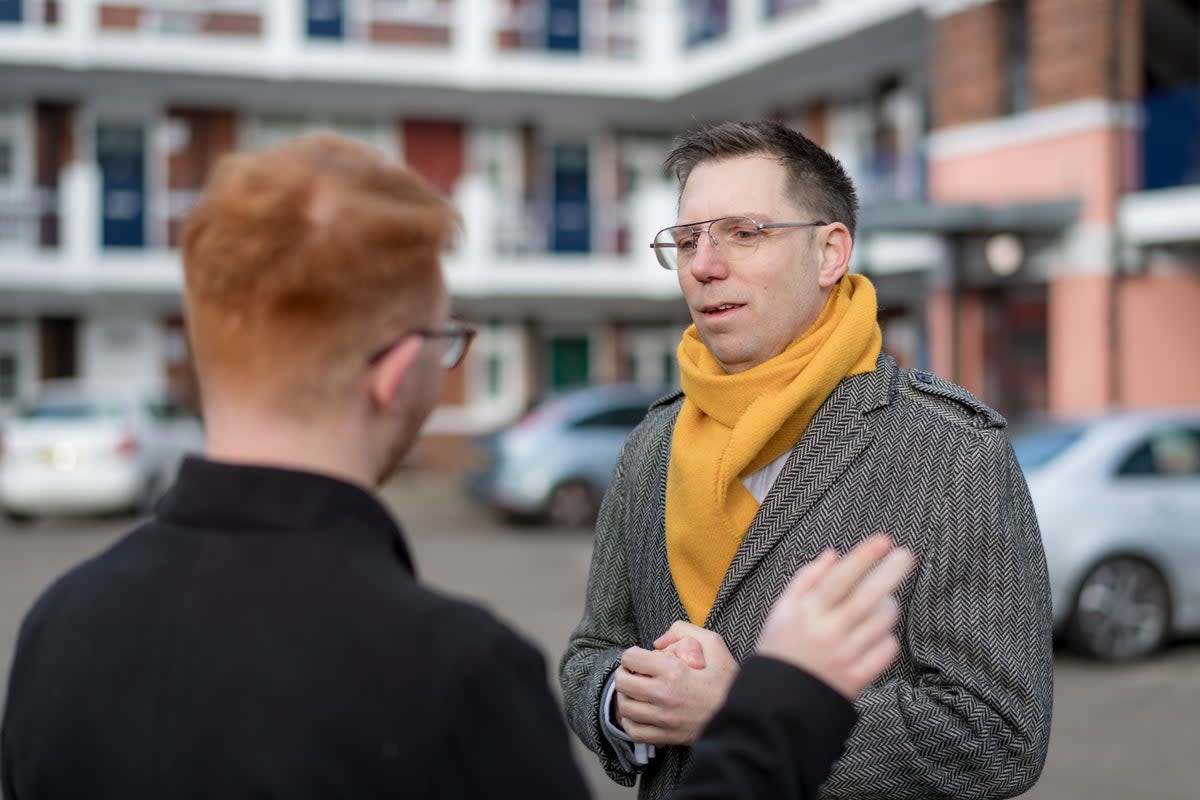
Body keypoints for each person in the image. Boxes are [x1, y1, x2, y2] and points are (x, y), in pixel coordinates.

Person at [0, 132, 915, 800]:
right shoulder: (453, 674)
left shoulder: (54, 628)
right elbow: (594, 652)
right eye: (447, 341)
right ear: (399, 376)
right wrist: (779, 703)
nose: (706, 265)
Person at [559, 120, 1055, 800]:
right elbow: (592, 651)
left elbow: (998, 732)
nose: (704, 265)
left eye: (744, 232)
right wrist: (623, 701)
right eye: (686, 240)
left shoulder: (952, 450)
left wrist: (747, 709)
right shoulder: (653, 442)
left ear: (830, 253)